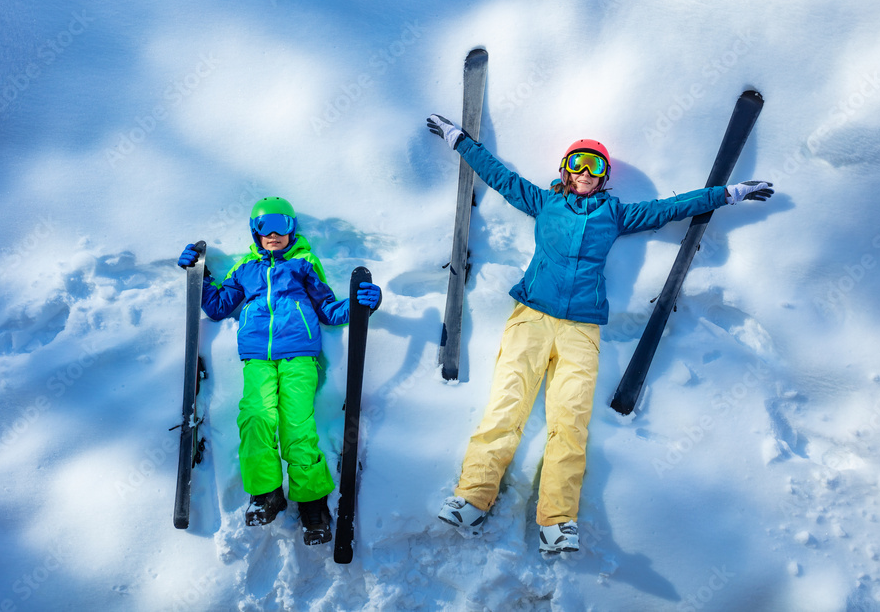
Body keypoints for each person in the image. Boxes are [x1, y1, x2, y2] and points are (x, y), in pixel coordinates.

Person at [426, 114, 773, 554]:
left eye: (593, 165)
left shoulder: (615, 215)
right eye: (577, 163)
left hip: (582, 330)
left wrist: (728, 194)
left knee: (569, 422)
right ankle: (472, 497)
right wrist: (460, 140)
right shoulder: (542, 202)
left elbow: (672, 207)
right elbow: (499, 175)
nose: (584, 173)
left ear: (604, 175)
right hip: (530, 318)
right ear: (565, 170)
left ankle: (557, 520)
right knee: (505, 407)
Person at [177, 196, 382, 545]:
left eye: (281, 226)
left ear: (292, 229)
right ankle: (266, 493)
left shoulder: (303, 264)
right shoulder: (245, 267)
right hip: (257, 357)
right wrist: (201, 274)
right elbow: (217, 307)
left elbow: (329, 309)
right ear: (255, 232)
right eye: (264, 227)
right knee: (256, 418)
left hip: (300, 356)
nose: (273, 234)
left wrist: (361, 305)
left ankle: (312, 504)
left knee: (297, 427)